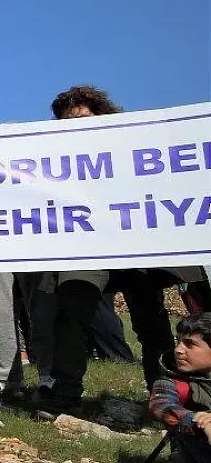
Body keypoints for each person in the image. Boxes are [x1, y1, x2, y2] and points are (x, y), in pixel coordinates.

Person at [39, 86, 207, 417]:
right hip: (87, 247)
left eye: (83, 118)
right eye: (67, 121)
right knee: (72, 313)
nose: (76, 125)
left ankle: (163, 397)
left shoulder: (134, 145)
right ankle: (65, 397)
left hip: (138, 247)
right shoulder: (53, 159)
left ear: (103, 115)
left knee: (150, 323)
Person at [149, 313, 211, 463]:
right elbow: (161, 405)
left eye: (189, 344)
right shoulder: (174, 379)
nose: (178, 349)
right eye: (179, 341)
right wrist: (198, 420)